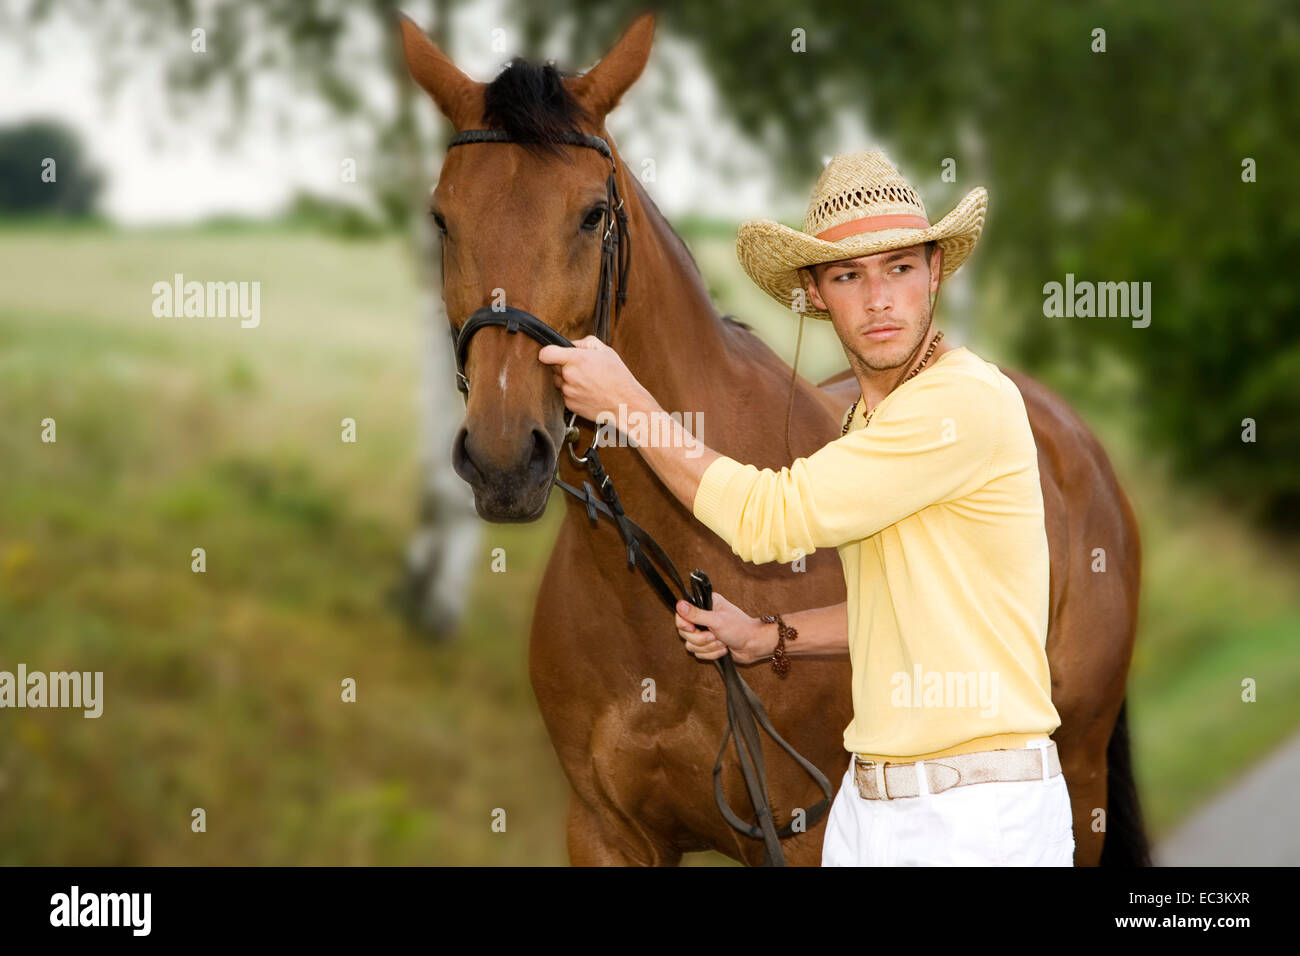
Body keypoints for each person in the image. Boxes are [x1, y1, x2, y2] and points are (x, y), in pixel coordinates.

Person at [538, 149, 1074, 866]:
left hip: (974, 814)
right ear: (817, 294)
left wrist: (627, 402)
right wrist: (769, 634)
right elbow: (901, 610)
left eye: (900, 268)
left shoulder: (962, 403)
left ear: (935, 273)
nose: (878, 298)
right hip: (872, 806)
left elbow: (770, 518)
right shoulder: (872, 425)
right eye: (850, 275)